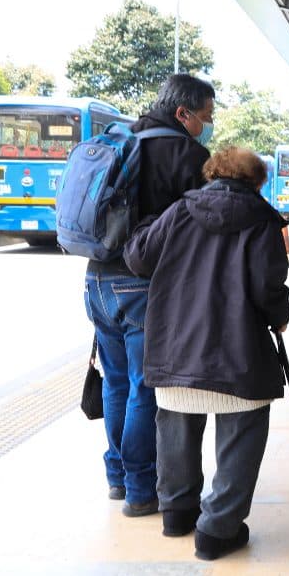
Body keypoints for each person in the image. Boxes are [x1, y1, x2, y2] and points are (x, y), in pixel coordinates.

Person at [124, 147, 289, 560]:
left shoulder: (180, 211)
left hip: (176, 347)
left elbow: (139, 259)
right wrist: (281, 316)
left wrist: (146, 224)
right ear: (256, 181)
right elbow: (268, 286)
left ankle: (177, 513)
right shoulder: (264, 221)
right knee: (242, 435)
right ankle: (217, 530)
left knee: (176, 430)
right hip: (240, 352)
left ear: (212, 173)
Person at [84, 74, 214, 517]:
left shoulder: (123, 137)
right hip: (140, 285)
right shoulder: (187, 153)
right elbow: (201, 226)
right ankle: (142, 491)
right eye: (204, 117)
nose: (206, 126)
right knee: (143, 388)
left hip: (96, 280)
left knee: (116, 381)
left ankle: (118, 479)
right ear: (183, 113)